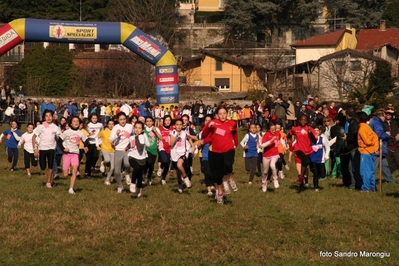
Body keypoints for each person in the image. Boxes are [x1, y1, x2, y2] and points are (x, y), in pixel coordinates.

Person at [202, 105, 238, 204]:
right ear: (217, 115)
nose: (222, 115)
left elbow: (235, 133)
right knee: (218, 175)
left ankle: (230, 178)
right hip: (216, 152)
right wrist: (208, 126)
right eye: (220, 114)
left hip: (228, 149)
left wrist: (236, 143)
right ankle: (220, 193)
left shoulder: (232, 123)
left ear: (227, 113)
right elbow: (203, 135)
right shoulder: (213, 123)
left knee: (228, 164)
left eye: (224, 113)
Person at [58, 116, 88, 194]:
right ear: (71, 123)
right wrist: (63, 148)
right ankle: (67, 169)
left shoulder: (81, 133)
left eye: (77, 121)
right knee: (65, 175)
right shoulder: (66, 132)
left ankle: (71, 188)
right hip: (67, 154)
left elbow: (86, 141)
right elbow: (59, 142)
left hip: (75, 154)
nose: (76, 123)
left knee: (75, 170)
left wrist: (86, 146)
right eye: (74, 121)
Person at [32, 110, 62, 188]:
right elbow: (34, 137)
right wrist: (35, 148)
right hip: (42, 148)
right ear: (44, 117)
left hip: (52, 148)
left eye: (50, 116)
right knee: (43, 167)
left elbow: (60, 136)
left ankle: (48, 182)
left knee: (50, 166)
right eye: (46, 116)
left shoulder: (55, 127)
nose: (48, 118)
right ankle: (41, 162)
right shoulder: (41, 126)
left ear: (53, 117)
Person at [288, 114, 317, 188]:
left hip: (307, 150)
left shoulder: (310, 129)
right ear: (299, 120)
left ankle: (302, 182)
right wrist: (288, 140)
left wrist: (310, 133)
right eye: (302, 119)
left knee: (305, 165)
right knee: (306, 161)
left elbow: (314, 140)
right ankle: (301, 177)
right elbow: (290, 134)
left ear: (307, 121)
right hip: (298, 149)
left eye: (305, 120)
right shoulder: (295, 129)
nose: (303, 121)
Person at [369, 109, 395, 184]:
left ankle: (390, 181)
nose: (385, 118)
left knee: (384, 166)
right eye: (384, 116)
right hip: (377, 148)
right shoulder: (377, 123)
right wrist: (387, 134)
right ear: (381, 116)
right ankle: (369, 182)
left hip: (380, 149)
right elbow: (379, 135)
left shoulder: (374, 122)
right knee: (373, 167)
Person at [109, 112, 133, 193]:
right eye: (121, 119)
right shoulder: (115, 127)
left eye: (124, 119)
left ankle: (126, 173)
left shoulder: (130, 126)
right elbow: (110, 140)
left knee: (127, 163)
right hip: (118, 150)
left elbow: (134, 136)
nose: (122, 121)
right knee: (116, 171)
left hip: (127, 149)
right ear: (118, 120)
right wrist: (116, 135)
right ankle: (120, 185)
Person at [169, 118, 193, 193]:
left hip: (183, 153)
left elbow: (189, 139)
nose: (179, 126)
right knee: (178, 172)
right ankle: (180, 184)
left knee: (180, 165)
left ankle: (185, 178)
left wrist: (192, 146)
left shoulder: (184, 133)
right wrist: (176, 136)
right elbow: (170, 144)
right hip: (174, 154)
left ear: (182, 126)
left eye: (180, 125)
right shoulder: (172, 133)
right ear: (174, 126)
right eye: (177, 125)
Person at [357, 112, 379, 192]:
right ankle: (373, 187)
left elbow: (366, 141)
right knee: (371, 170)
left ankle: (365, 188)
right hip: (371, 151)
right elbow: (375, 136)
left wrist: (371, 143)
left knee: (364, 171)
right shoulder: (368, 127)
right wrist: (375, 146)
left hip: (365, 151)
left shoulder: (361, 129)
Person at [128, 121, 150, 197]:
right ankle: (133, 183)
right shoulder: (131, 136)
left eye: (139, 128)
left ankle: (139, 188)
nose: (137, 129)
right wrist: (126, 148)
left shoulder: (142, 137)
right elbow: (130, 144)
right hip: (132, 156)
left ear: (142, 130)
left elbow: (140, 148)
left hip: (142, 158)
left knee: (140, 175)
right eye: (136, 127)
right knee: (136, 168)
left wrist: (137, 137)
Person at [260, 122, 281, 192]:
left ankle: (275, 179)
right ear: (269, 129)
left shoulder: (278, 133)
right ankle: (264, 183)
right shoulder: (266, 135)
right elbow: (262, 145)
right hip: (266, 155)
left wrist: (284, 145)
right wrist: (271, 141)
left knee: (272, 165)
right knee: (265, 172)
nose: (274, 131)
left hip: (275, 154)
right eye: (272, 129)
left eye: (275, 129)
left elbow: (280, 140)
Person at [309, 125, 330, 192]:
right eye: (314, 131)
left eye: (317, 130)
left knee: (323, 175)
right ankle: (316, 187)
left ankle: (318, 175)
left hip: (320, 159)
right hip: (312, 158)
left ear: (320, 131)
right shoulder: (310, 139)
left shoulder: (323, 138)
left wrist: (326, 156)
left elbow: (327, 147)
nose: (316, 132)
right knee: (315, 173)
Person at [143, 116, 162, 185]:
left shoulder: (156, 129)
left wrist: (155, 131)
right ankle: (144, 174)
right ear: (145, 122)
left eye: (150, 121)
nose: (149, 123)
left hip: (154, 150)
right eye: (147, 121)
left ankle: (149, 177)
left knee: (151, 165)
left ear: (153, 122)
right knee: (148, 162)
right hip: (146, 149)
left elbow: (161, 138)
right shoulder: (143, 130)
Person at [198, 115, 214, 196]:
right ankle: (209, 190)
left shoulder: (215, 130)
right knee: (206, 172)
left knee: (213, 172)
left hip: (214, 155)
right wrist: (199, 145)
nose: (207, 121)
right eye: (206, 120)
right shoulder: (201, 133)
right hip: (205, 155)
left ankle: (213, 184)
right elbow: (199, 144)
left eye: (209, 120)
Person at [97, 119, 115, 185]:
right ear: (107, 125)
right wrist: (97, 145)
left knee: (112, 167)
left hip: (113, 150)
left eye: (112, 124)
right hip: (104, 149)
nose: (111, 125)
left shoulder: (115, 132)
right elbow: (97, 137)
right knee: (107, 160)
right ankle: (103, 163)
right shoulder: (103, 132)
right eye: (109, 124)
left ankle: (107, 180)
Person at [157, 115, 174, 185]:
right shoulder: (160, 128)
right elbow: (158, 137)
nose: (168, 122)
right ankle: (160, 167)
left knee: (167, 165)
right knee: (164, 160)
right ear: (163, 121)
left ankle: (163, 178)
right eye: (166, 120)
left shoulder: (173, 129)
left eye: (169, 120)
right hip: (162, 147)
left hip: (170, 148)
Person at [85, 113, 103, 177]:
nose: (94, 119)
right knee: (89, 157)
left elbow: (101, 132)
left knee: (96, 156)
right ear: (91, 119)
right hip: (90, 142)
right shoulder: (88, 125)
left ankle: (93, 166)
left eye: (96, 118)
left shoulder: (100, 125)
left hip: (97, 143)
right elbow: (86, 133)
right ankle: (87, 171)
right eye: (93, 118)